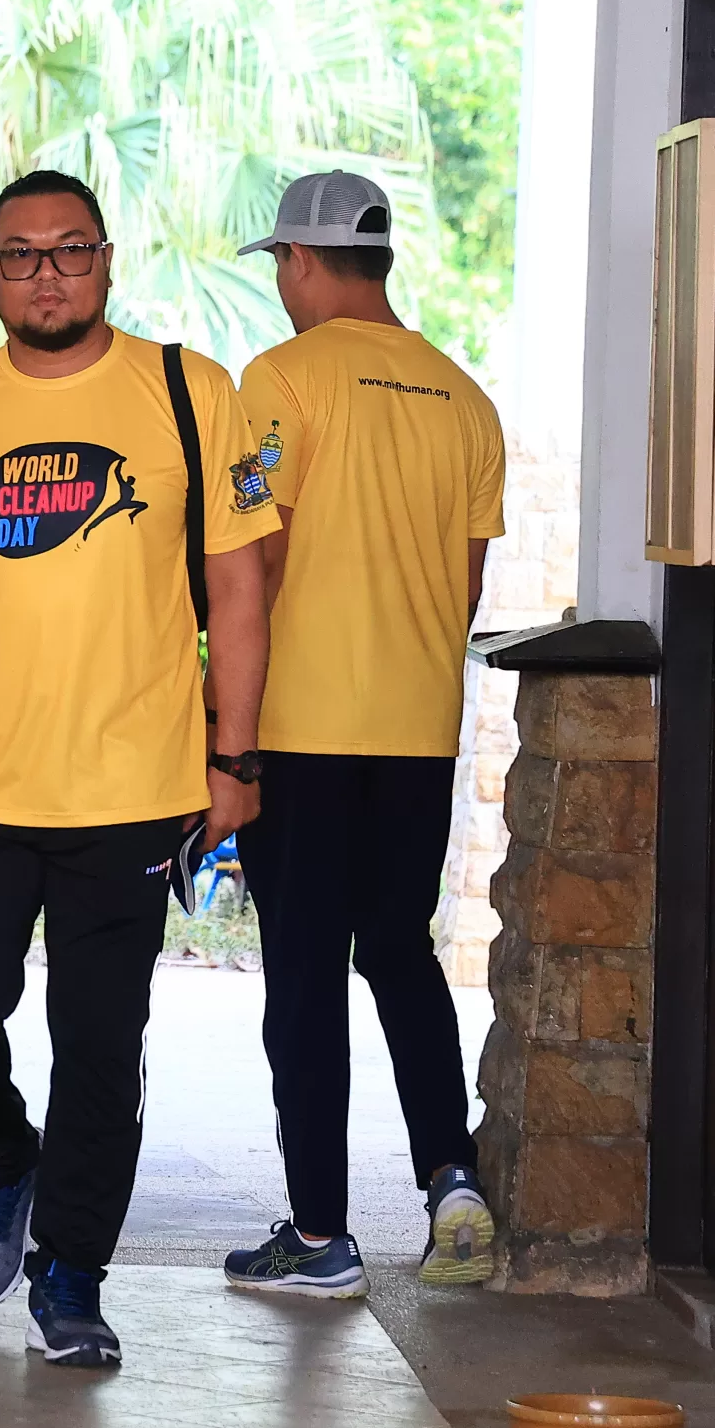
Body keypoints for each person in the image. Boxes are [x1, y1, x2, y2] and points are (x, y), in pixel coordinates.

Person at [0, 170, 277, 1368]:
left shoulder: (192, 392)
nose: (47, 273)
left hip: (133, 788)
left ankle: (73, 1276)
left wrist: (234, 755)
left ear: (106, 259)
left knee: (100, 1042)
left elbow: (240, 585)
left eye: (70, 248)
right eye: (21, 254)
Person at [217, 171, 505, 1302]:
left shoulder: (280, 378)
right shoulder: (465, 399)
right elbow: (465, 588)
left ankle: (320, 1232)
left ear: (299, 259)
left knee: (302, 972)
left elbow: (260, 556)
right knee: (397, 951)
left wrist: (223, 724)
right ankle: (451, 1181)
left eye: (281, 267)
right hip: (417, 732)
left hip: (302, 728)